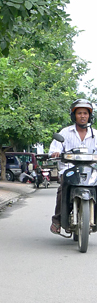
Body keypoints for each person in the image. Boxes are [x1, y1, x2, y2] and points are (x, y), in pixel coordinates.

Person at [48, 99, 96, 234]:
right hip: (69, 170)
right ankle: (57, 220)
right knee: (62, 190)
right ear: (74, 115)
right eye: (79, 113)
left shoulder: (95, 134)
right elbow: (53, 149)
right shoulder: (65, 132)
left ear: (89, 116)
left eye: (85, 113)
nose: (82, 116)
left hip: (91, 171)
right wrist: (55, 153)